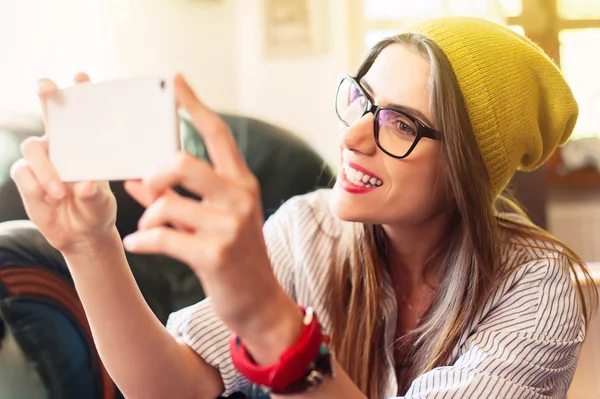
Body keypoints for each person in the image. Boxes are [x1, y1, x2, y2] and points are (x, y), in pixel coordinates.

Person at [10, 17, 597, 399]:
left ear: (470, 167)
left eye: (399, 123)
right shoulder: (306, 228)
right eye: (362, 100)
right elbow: (176, 388)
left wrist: (270, 321)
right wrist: (89, 243)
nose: (352, 138)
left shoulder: (539, 288)